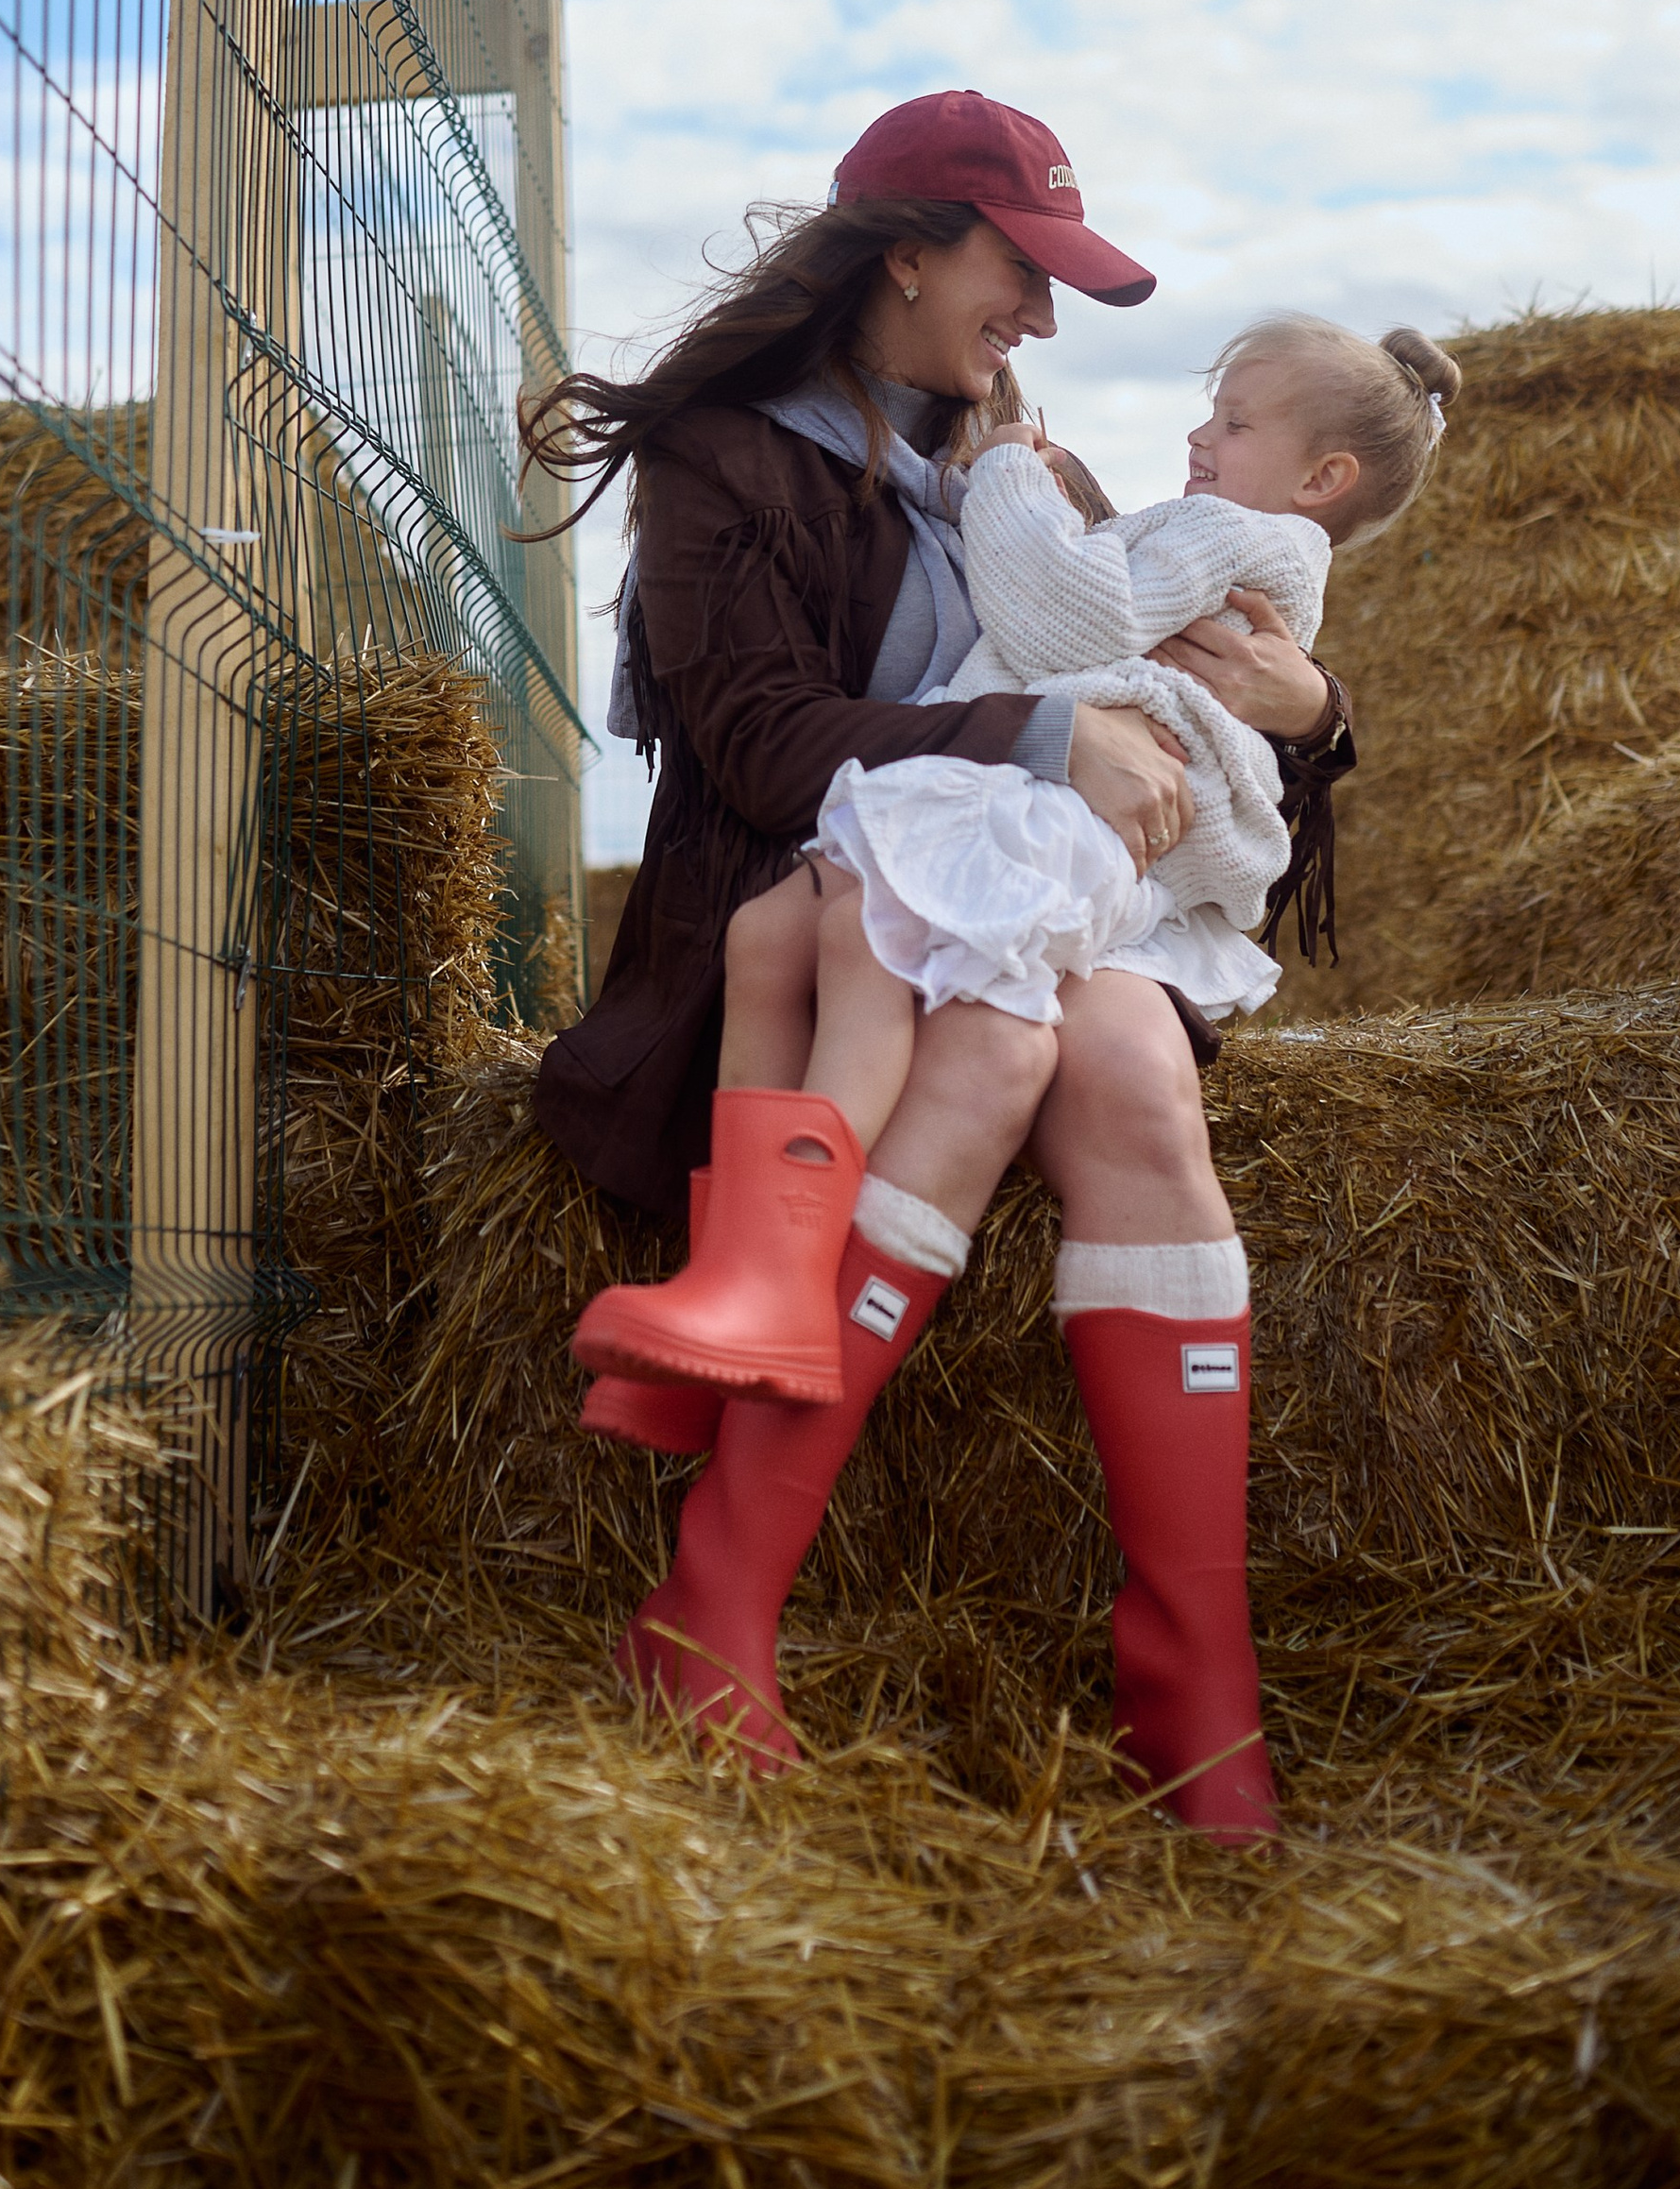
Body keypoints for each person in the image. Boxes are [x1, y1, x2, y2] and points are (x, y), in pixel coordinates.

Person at [522, 95, 1358, 1839]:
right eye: (1020, 271)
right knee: (1001, 1054)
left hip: (1030, 905)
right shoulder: (724, 460)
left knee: (1133, 1069)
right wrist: (1044, 734)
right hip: (819, 916)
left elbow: (1181, 697)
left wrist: (1317, 712)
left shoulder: (1021, 463)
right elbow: (763, 747)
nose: (1041, 318)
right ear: (904, 253)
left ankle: (1194, 1690)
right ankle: (716, 1604)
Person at [577, 315, 1461, 1420]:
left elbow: (1069, 614)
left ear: (1322, 475)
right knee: (765, 935)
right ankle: (737, 1292)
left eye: (1233, 421)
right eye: (1214, 413)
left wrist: (1008, 478)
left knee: (909, 973)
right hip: (995, 790)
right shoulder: (752, 455)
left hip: (1051, 816)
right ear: (906, 264)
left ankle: (775, 1294)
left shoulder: (1223, 528)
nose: (1199, 434)